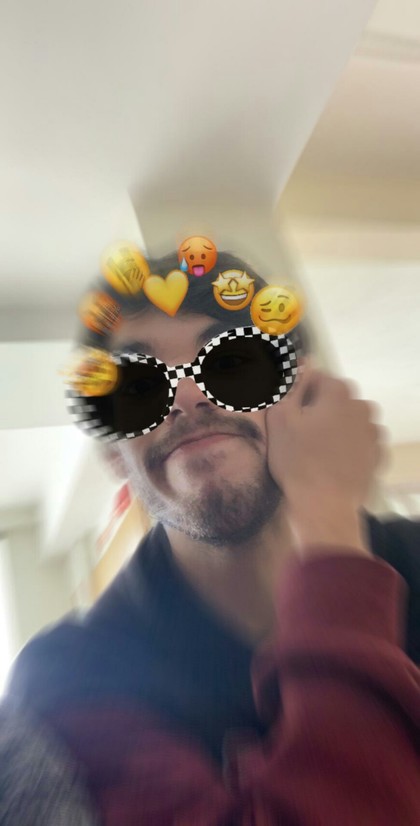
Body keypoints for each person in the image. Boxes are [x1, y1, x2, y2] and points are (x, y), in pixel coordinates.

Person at [4, 248, 420, 824]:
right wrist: (329, 526)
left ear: (304, 394)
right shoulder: (71, 675)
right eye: (139, 387)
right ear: (113, 455)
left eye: (233, 361)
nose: (188, 395)